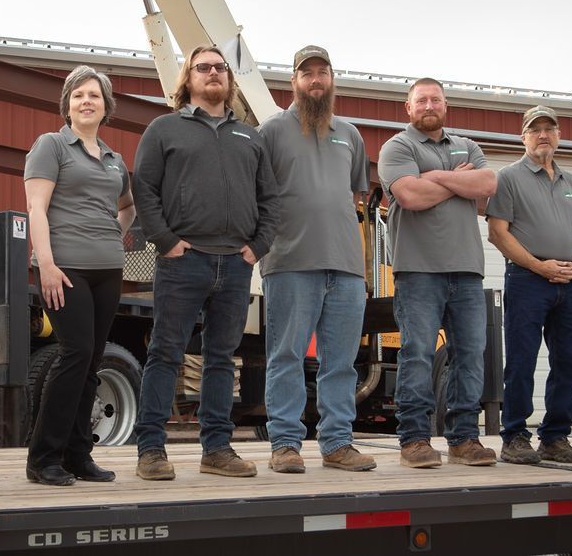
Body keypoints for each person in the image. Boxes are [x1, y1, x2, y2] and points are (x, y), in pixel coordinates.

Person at [131, 45, 279, 480]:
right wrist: (167, 242)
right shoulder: (163, 129)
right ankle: (151, 450)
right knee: (165, 353)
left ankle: (217, 448)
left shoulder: (250, 136)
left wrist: (258, 246)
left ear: (229, 80)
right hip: (183, 261)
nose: (213, 72)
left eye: (220, 67)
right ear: (187, 79)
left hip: (236, 263)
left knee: (221, 358)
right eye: (203, 67)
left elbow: (270, 199)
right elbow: (145, 190)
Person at [259, 45, 375, 474]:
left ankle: (337, 443)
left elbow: (354, 197)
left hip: (345, 267)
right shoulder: (270, 132)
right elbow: (259, 198)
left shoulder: (351, 134)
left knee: (341, 361)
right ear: (293, 81)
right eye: (306, 73)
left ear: (331, 80)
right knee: (286, 355)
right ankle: (286, 444)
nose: (315, 80)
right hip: (289, 261)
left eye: (322, 72)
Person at [24, 65, 135, 486]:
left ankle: (78, 455)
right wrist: (46, 264)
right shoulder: (51, 146)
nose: (86, 101)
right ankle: (43, 458)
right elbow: (36, 207)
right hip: (65, 267)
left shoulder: (114, 159)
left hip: (107, 268)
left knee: (91, 361)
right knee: (75, 353)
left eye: (94, 95)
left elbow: (127, 207)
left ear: (106, 106)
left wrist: (113, 233)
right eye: (78, 95)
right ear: (67, 104)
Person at [378, 78, 498, 467]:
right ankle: (414, 439)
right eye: (421, 100)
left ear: (445, 105)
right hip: (418, 270)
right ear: (408, 108)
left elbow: (488, 183)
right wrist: (457, 180)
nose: (429, 104)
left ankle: (463, 439)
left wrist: (434, 178)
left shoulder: (469, 145)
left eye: (436, 99)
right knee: (416, 354)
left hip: (466, 270)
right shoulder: (398, 146)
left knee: (470, 354)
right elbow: (410, 196)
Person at [486, 105, 572, 464]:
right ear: (523, 136)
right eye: (535, 129)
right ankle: (514, 436)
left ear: (559, 135)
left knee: (571, 362)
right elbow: (497, 234)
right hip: (527, 279)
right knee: (521, 361)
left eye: (550, 128)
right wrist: (539, 266)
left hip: (566, 283)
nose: (543, 134)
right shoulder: (509, 177)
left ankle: (555, 437)